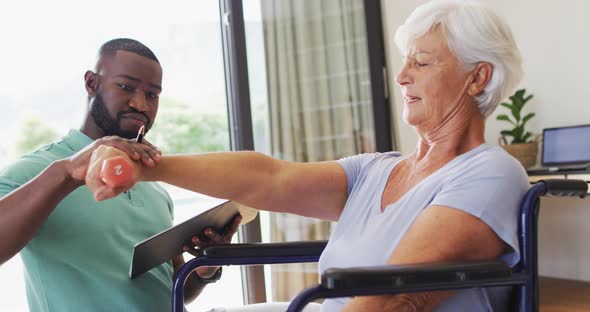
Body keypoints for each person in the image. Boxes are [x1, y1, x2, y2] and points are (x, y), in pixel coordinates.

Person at [88, 1, 529, 310]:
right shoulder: (378, 169)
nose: (401, 76)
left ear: (478, 78)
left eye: (423, 64)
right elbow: (269, 177)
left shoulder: (490, 173)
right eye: (405, 62)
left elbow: (398, 298)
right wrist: (145, 166)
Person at [0, 38, 239, 311]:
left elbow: (169, 290)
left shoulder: (154, 187)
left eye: (152, 95)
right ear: (92, 83)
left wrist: (206, 268)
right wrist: (67, 174)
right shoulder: (36, 170)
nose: (141, 104)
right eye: (126, 87)